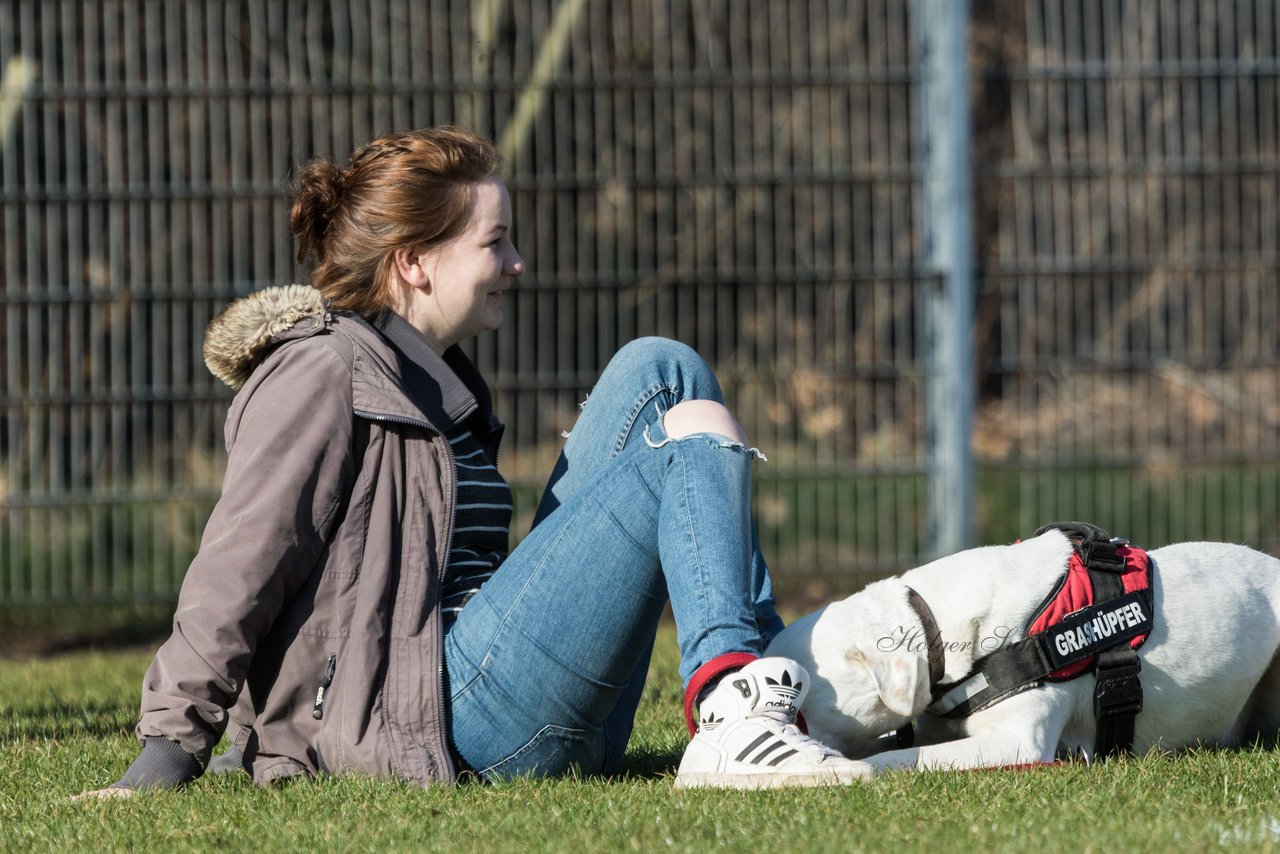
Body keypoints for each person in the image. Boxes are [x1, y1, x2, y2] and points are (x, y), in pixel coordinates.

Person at [78, 126, 868, 796]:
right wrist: (171, 747)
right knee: (684, 440)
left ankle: (777, 701)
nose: (518, 262)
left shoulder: (439, 376)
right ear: (415, 263)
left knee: (664, 371)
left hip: (487, 693)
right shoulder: (319, 371)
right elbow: (241, 561)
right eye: (495, 242)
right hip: (429, 726)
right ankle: (736, 717)